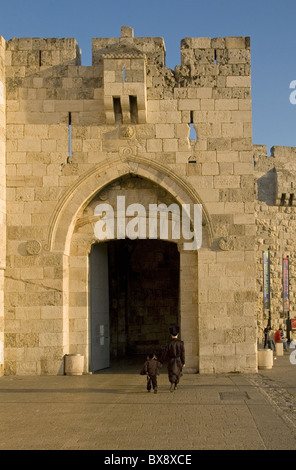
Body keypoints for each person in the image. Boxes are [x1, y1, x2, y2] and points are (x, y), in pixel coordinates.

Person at [161, 326, 185, 392]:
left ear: (171, 334)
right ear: (177, 334)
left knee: (171, 372)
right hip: (178, 360)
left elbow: (164, 353)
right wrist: (183, 362)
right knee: (178, 372)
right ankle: (176, 385)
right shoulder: (181, 343)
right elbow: (182, 353)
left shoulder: (168, 343)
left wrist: (161, 361)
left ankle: (172, 382)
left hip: (171, 360)